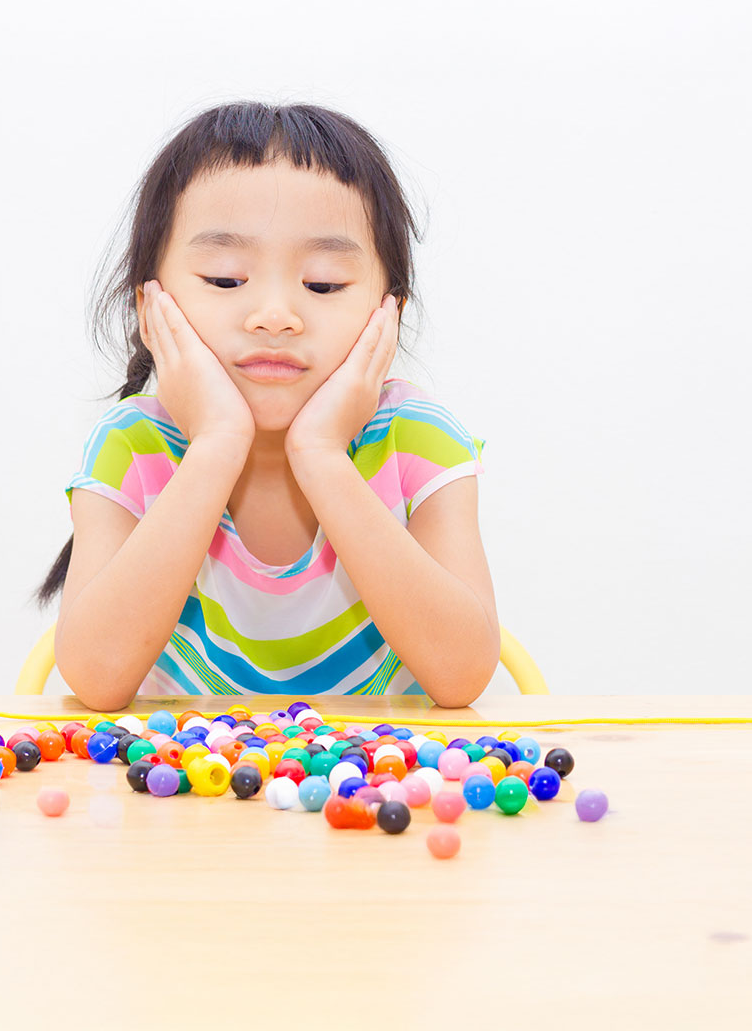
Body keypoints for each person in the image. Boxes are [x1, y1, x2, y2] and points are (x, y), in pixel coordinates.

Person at [37, 101, 500, 710]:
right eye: (227, 279)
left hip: (374, 793)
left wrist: (323, 455)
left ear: (390, 313)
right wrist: (216, 444)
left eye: (324, 284)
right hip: (180, 801)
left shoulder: (418, 441)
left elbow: (462, 674)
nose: (276, 316)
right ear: (150, 310)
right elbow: (96, 678)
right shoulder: (130, 448)